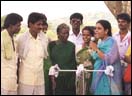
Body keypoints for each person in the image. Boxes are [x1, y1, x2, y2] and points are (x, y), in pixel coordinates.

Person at [16, 12, 48, 95]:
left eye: (42, 24)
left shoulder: (44, 39)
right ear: (30, 24)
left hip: (39, 80)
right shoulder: (21, 39)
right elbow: (16, 59)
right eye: (38, 24)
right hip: (25, 80)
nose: (41, 27)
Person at [89, 20, 122, 95]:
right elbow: (96, 57)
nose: (96, 31)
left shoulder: (111, 41)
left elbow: (109, 59)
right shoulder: (101, 42)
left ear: (106, 31)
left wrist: (96, 49)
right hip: (98, 73)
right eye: (95, 28)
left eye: (99, 28)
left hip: (108, 77)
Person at [48, 23, 77, 95]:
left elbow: (73, 62)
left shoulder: (72, 45)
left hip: (69, 78)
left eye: (67, 33)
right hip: (56, 78)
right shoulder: (52, 45)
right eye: (63, 33)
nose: (66, 35)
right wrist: (52, 78)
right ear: (58, 33)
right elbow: (50, 61)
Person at [1, 13, 23, 95]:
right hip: (3, 82)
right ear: (10, 25)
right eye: (18, 25)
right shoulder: (1, 38)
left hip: (12, 81)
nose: (19, 28)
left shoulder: (14, 39)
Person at [113, 13, 131, 94]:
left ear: (128, 23)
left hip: (128, 67)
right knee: (117, 89)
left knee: (128, 89)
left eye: (123, 22)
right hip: (116, 67)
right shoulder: (114, 36)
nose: (120, 23)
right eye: (119, 22)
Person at [76, 26, 95, 95]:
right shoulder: (78, 47)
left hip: (92, 75)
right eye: (83, 35)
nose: (85, 37)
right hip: (81, 75)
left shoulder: (95, 48)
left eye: (88, 35)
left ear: (92, 36)